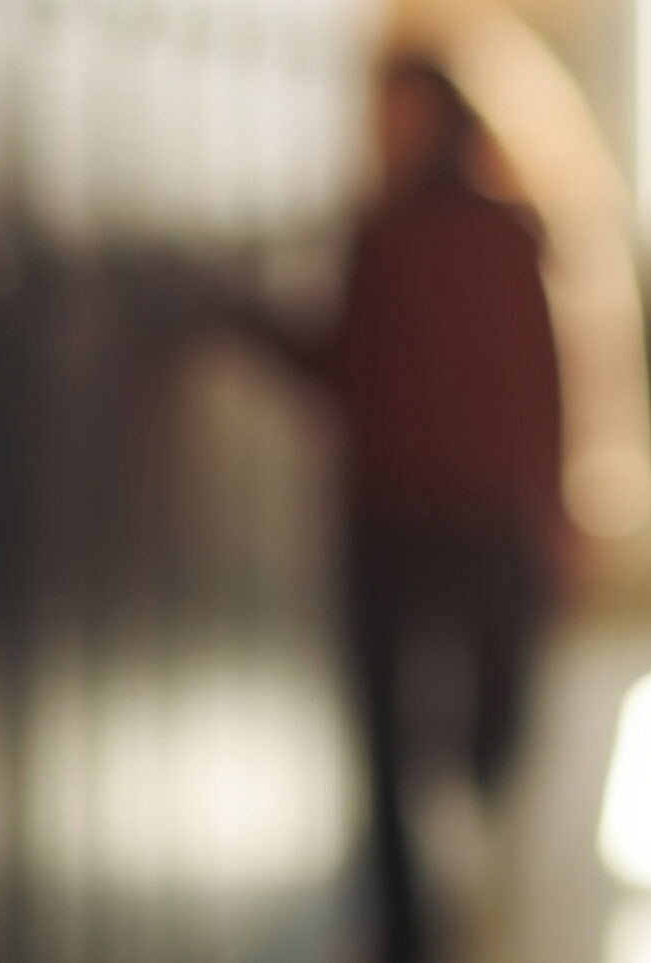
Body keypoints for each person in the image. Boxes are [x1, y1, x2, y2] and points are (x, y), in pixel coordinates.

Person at [243, 57, 565, 963]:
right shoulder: (376, 234)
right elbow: (344, 363)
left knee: (496, 716)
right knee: (383, 734)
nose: (388, 132)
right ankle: (407, 933)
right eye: (382, 114)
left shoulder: (505, 231)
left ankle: (463, 848)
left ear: (446, 120)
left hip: (488, 515)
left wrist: (558, 507)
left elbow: (542, 377)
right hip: (388, 514)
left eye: (404, 113)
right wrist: (239, 316)